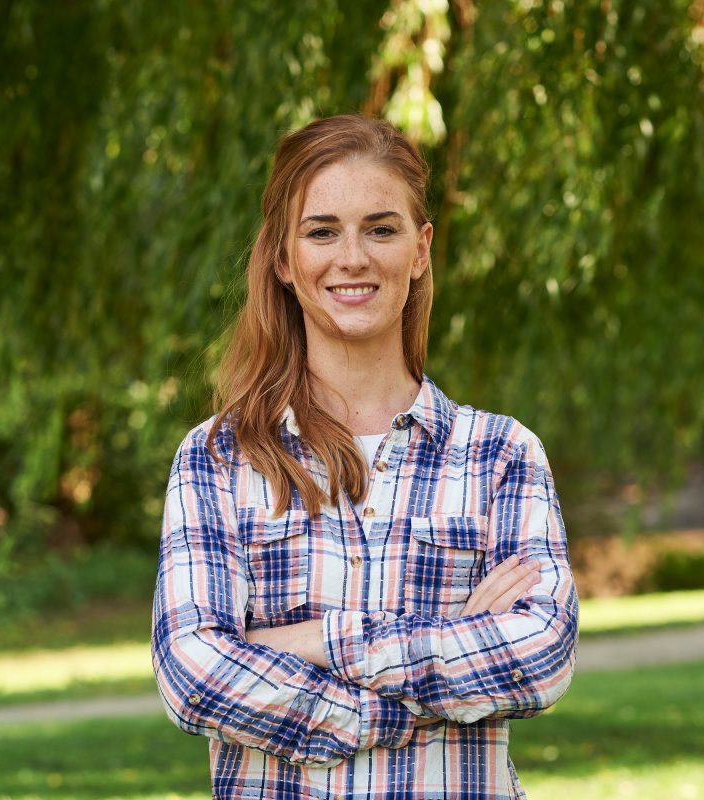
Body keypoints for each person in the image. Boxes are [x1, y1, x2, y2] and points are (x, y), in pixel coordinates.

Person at [151, 114, 577, 800]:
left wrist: (316, 642)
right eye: (322, 231)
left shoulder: (501, 456)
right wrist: (439, 653)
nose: (352, 257)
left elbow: (540, 658)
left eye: (381, 229)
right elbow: (193, 673)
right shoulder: (218, 459)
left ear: (420, 250)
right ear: (285, 260)